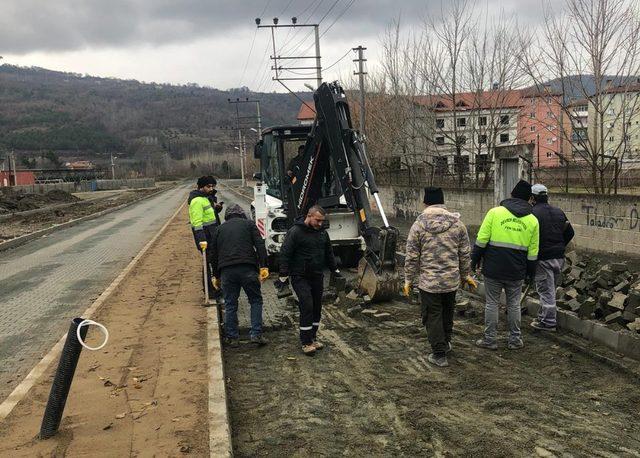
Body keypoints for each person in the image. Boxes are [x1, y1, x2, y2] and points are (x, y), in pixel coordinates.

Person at [403, 187, 475, 367]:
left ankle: (439, 353)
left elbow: (412, 256)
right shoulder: (458, 224)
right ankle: (446, 342)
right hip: (451, 281)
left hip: (429, 283)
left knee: (433, 315)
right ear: (443, 202)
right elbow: (465, 253)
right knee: (447, 312)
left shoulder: (418, 225)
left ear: (425, 203)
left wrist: (408, 280)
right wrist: (466, 275)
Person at [472, 179, 539, 350]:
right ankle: (515, 340)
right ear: (529, 199)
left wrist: (474, 260)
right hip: (516, 270)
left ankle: (490, 339)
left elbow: (481, 240)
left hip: (493, 268)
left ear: (511, 195)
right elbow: (533, 252)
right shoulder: (533, 220)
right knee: (514, 304)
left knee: (492, 303)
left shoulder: (495, 213)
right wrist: (531, 273)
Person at [278, 205, 342, 356]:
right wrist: (283, 276)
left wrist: (335, 270)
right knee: (307, 305)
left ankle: (313, 337)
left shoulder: (322, 234)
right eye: (317, 220)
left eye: (322, 221)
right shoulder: (295, 232)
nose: (320, 223)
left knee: (317, 307)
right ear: (309, 215)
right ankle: (305, 342)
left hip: (317, 275)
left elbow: (329, 252)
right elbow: (285, 254)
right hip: (300, 276)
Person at [211, 204, 269, 347]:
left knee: (230, 304)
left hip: (227, 271)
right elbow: (260, 245)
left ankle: (232, 338)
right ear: (242, 214)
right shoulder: (249, 225)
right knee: (255, 300)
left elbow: (214, 254)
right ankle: (256, 334)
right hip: (247, 268)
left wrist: (216, 275)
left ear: (227, 216)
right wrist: (264, 266)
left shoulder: (219, 229)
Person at [529, 184, 575, 332]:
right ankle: (543, 316)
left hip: (543, 258)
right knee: (550, 289)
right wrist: (560, 245)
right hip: (559, 257)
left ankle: (548, 322)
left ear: (533, 198)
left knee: (545, 291)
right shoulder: (558, 212)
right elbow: (570, 232)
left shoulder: (532, 213)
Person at [188, 176, 218, 303]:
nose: (211, 189)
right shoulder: (196, 201)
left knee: (214, 261)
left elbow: (209, 216)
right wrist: (202, 240)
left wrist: (216, 208)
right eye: (208, 186)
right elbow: (197, 223)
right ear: (201, 187)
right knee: (208, 263)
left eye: (213, 186)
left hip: (212, 235)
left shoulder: (206, 199)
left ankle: (215, 287)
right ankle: (209, 291)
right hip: (206, 238)